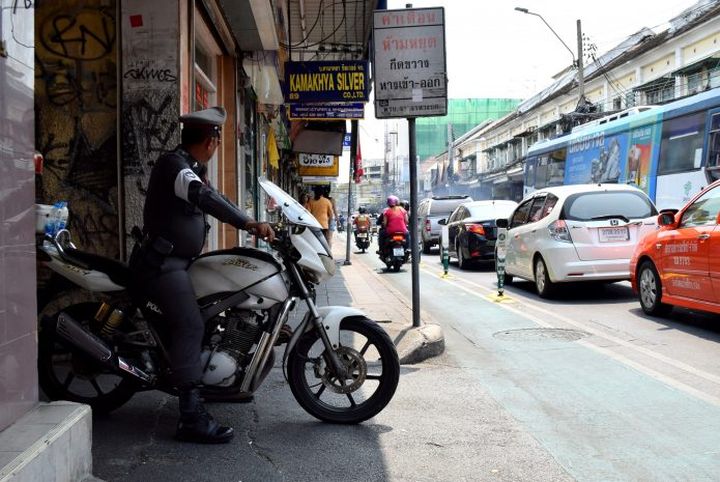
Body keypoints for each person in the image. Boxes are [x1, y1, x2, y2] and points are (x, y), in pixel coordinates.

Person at [129, 106, 275, 444]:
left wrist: (248, 218)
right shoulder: (175, 166)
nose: (219, 143)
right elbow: (203, 196)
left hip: (180, 262)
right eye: (218, 138)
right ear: (211, 140)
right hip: (163, 265)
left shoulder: (192, 167)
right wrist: (247, 223)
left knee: (209, 313)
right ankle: (191, 416)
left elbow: (215, 196)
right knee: (190, 324)